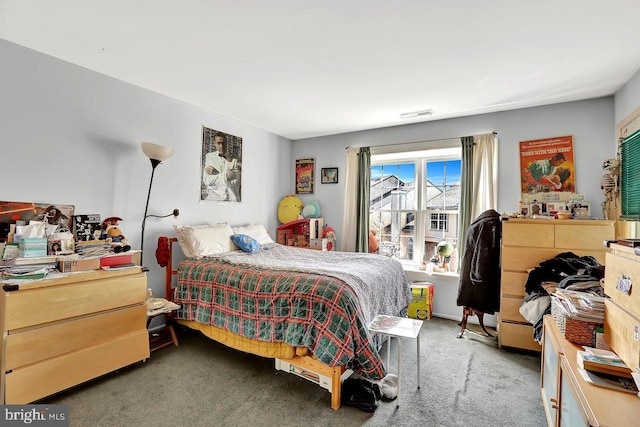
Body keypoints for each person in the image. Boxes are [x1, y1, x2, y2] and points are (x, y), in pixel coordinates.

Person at [202, 133, 240, 201]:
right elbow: (207, 180)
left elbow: (236, 181)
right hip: (214, 198)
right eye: (219, 143)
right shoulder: (210, 157)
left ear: (226, 143)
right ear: (215, 143)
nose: (221, 146)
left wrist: (216, 174)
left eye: (223, 143)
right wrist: (225, 176)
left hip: (231, 199)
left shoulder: (234, 159)